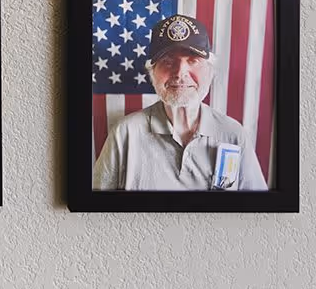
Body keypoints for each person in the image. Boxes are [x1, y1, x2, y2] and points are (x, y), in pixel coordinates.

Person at [93, 14, 267, 191]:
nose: (180, 72)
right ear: (152, 73)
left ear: (210, 71)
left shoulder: (232, 134)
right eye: (167, 61)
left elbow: (257, 212)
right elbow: (94, 211)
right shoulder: (125, 133)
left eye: (193, 61)